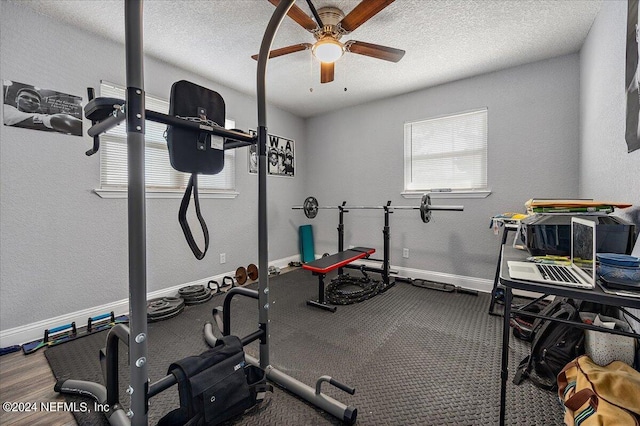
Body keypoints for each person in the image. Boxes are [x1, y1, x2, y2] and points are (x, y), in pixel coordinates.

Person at [3, 87, 82, 135]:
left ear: (39, 105)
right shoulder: (6, 109)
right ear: (16, 99)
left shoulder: (42, 116)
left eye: (35, 100)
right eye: (25, 97)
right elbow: (59, 121)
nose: (30, 101)